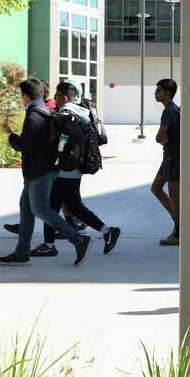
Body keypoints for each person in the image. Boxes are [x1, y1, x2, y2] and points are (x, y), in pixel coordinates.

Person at [0, 79, 92, 266]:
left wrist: (10, 135)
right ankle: (22, 252)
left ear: (25, 96)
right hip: (42, 169)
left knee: (40, 210)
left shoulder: (34, 115)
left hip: (39, 171)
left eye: (20, 95)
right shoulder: (44, 108)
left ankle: (78, 240)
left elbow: (24, 145)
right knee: (26, 209)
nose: (20, 99)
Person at [31, 82, 121, 257]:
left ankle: (49, 245)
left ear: (64, 97)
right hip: (77, 166)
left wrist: (56, 158)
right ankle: (107, 231)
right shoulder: (82, 112)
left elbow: (64, 140)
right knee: (72, 205)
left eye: (57, 95)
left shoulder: (66, 114)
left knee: (51, 207)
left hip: (65, 167)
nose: (54, 98)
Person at [152, 79, 181, 246]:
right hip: (169, 156)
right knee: (156, 188)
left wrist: (162, 139)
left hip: (173, 157)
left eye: (158, 91)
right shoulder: (174, 109)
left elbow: (159, 137)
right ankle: (178, 222)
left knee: (175, 195)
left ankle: (179, 230)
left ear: (167, 93)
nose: (155, 94)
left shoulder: (168, 111)